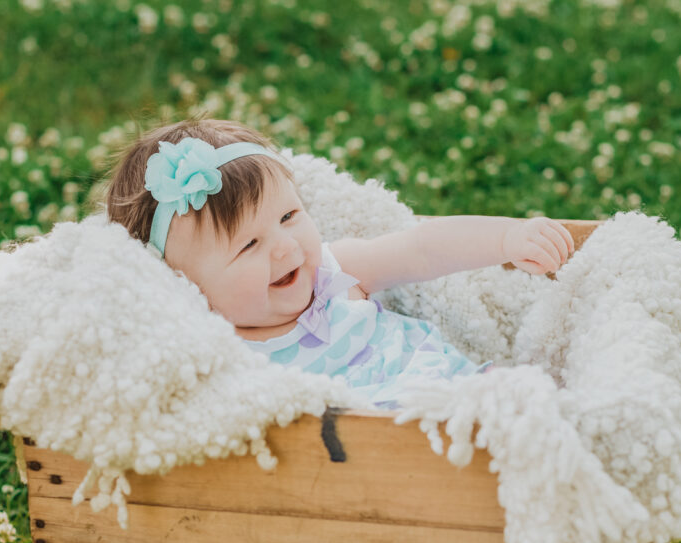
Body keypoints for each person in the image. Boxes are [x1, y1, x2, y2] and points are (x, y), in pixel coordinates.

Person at [106, 118, 574, 408]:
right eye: (248, 246)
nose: (285, 247)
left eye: (290, 216)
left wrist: (506, 238)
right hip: (364, 464)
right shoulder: (214, 350)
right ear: (184, 285)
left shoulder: (335, 274)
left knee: (533, 405)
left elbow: (421, 247)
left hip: (458, 399)